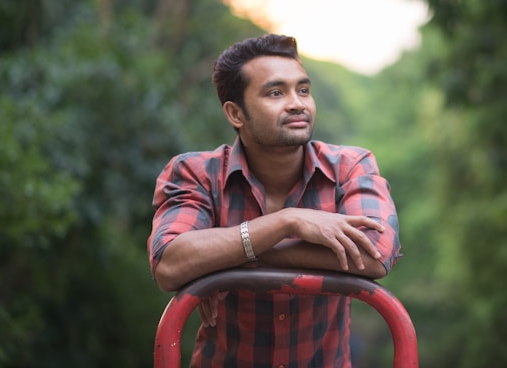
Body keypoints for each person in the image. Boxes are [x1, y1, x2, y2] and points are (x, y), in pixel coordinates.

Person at [147, 34, 401, 367]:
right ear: (236, 113)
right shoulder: (195, 173)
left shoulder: (350, 167)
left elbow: (375, 254)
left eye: (304, 90)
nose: (298, 103)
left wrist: (230, 257)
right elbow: (169, 263)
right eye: (276, 92)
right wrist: (288, 221)